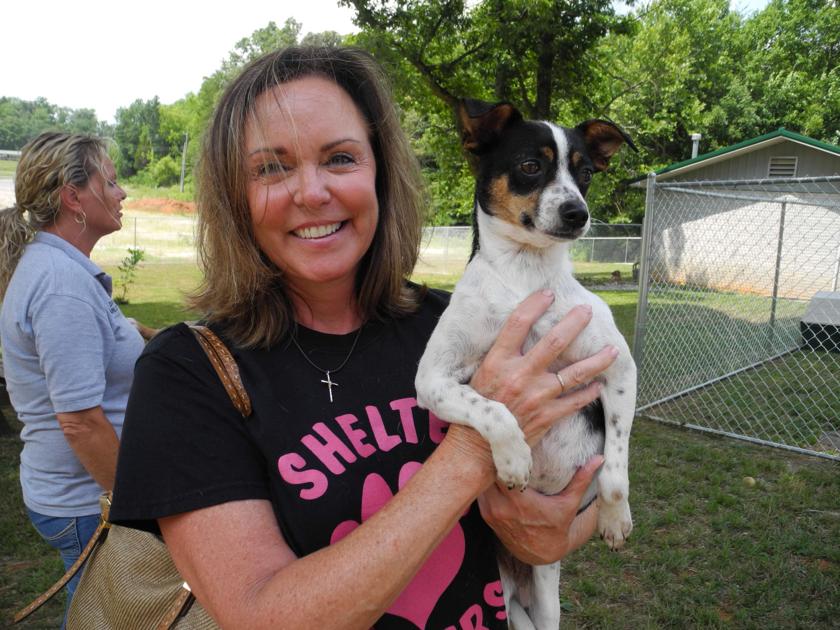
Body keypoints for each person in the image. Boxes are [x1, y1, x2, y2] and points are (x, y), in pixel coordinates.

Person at [110, 46, 618, 629]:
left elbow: (572, 493)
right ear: (235, 196)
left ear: (380, 172)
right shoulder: (185, 374)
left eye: (340, 158)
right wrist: (476, 448)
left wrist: (555, 531)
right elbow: (262, 617)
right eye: (271, 167)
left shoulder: (459, 326)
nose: (311, 192)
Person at [0, 132, 148, 620]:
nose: (122, 192)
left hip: (81, 494)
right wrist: (136, 512)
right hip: (87, 501)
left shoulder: (61, 269)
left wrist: (180, 337)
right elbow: (81, 421)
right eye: (111, 180)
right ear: (73, 197)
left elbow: (113, 332)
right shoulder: (61, 288)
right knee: (105, 616)